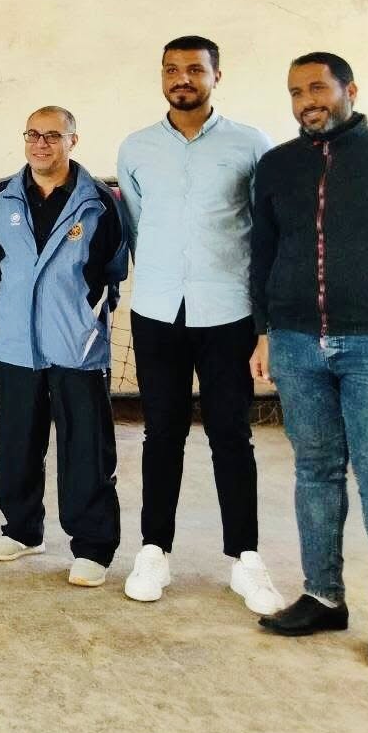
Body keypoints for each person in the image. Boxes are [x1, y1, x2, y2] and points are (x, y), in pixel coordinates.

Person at [251, 52, 368, 667]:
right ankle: (323, 596)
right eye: (296, 92)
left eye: (317, 88)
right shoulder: (276, 165)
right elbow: (262, 253)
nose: (306, 101)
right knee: (315, 471)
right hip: (295, 341)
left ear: (350, 90)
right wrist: (264, 331)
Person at [115, 37, 282, 613]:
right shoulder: (136, 147)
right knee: (161, 434)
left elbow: (263, 230)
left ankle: (246, 560)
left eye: (193, 69)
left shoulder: (251, 143)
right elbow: (138, 225)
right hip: (158, 310)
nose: (181, 78)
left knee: (231, 434)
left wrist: (266, 323)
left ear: (216, 76)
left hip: (228, 311)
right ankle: (154, 551)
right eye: (171, 70)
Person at [0, 107, 127, 587]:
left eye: (52, 136)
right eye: (33, 134)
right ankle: (22, 531)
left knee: (86, 450)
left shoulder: (99, 201)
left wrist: (85, 320)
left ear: (72, 141)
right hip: (15, 347)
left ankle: (93, 548)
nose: (41, 144)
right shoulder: (1, 197)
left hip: (76, 348)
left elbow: (113, 270)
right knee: (16, 446)